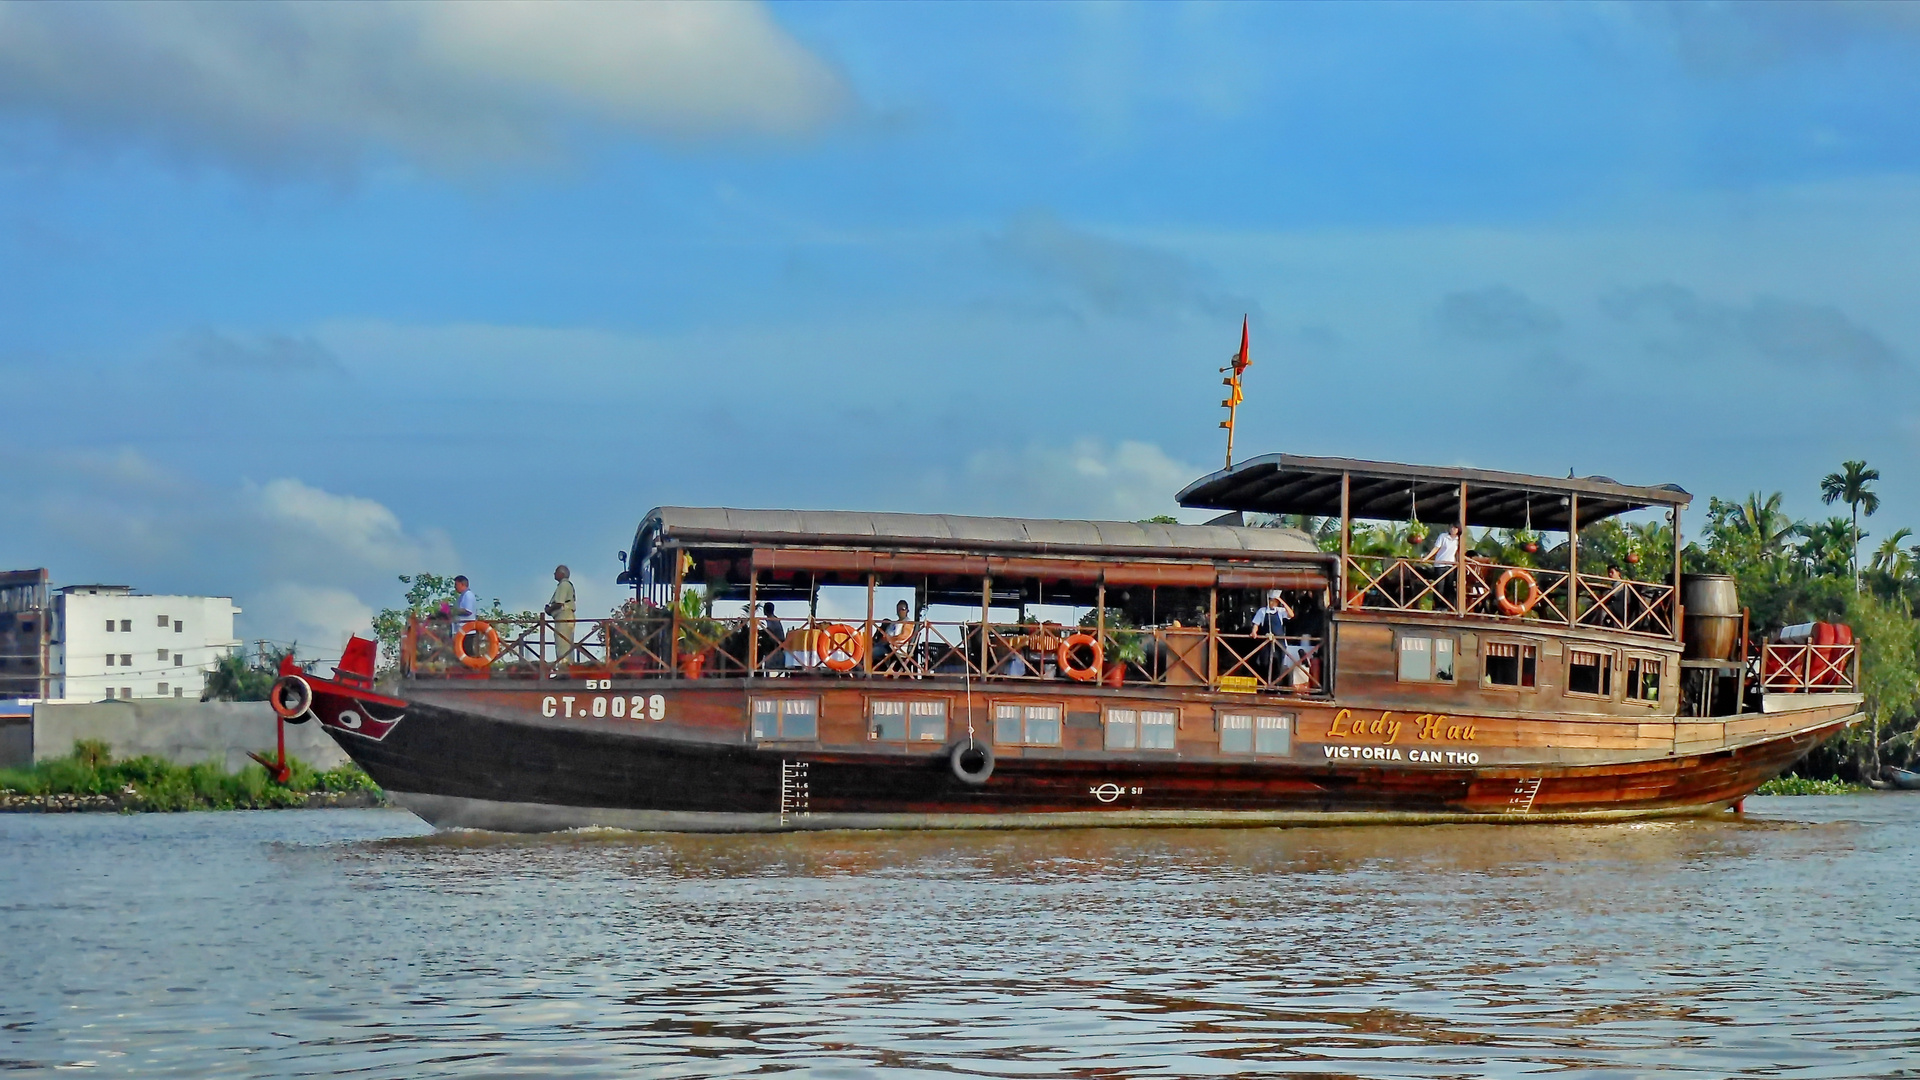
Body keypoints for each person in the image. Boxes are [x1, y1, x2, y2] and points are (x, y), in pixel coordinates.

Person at [1251, 590, 1296, 685]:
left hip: (1279, 640)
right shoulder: (1262, 611)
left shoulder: (1280, 611)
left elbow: (1291, 614)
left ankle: (1277, 684)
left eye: (1275, 601)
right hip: (1267, 640)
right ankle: (1265, 683)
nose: (1273, 603)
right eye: (1271, 601)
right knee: (1265, 662)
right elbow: (1256, 624)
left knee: (1280, 662)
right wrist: (1254, 632)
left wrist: (1282, 601)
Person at [545, 565, 575, 671]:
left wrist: (549, 609)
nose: (554, 574)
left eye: (556, 572)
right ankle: (568, 668)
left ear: (561, 574)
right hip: (566, 615)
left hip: (563, 615)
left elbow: (559, 603)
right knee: (567, 643)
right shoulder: (567, 585)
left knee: (562, 643)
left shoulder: (563, 585)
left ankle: (564, 670)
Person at [758, 602, 787, 671]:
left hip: (776, 643)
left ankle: (758, 667)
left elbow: (769, 631)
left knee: (759, 646)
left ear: (765, 610)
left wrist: (759, 632)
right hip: (776, 641)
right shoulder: (773, 619)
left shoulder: (772, 619)